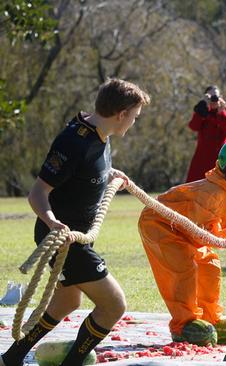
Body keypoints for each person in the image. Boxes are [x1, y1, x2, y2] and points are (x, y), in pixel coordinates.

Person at [0, 79, 150, 366]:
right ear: (121, 114)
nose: (133, 123)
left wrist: (110, 177)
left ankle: (12, 357)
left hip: (79, 236)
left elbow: (82, 175)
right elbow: (37, 193)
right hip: (63, 239)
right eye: (134, 117)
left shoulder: (100, 134)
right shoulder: (74, 142)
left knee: (68, 302)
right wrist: (53, 222)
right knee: (113, 305)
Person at [138, 136, 226, 341]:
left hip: (190, 232)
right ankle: (183, 325)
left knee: (210, 265)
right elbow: (206, 229)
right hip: (161, 227)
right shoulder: (211, 192)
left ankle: (209, 319)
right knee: (184, 269)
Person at [186, 85, 226, 183]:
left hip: (221, 158)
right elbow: (193, 126)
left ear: (221, 97)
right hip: (202, 158)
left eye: (216, 96)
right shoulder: (202, 114)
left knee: (222, 188)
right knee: (196, 187)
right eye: (210, 96)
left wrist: (221, 113)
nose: (213, 99)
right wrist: (203, 105)